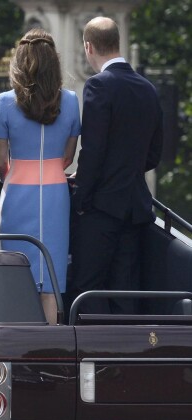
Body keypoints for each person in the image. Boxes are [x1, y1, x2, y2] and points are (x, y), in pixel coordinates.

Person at [69, 16, 163, 315]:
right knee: (126, 291)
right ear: (117, 43)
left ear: (88, 46)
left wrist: (81, 198)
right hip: (135, 207)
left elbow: (93, 151)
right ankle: (126, 359)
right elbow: (154, 154)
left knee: (88, 289)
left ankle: (92, 361)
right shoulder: (147, 88)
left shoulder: (99, 85)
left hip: (100, 208)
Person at [0, 29, 80, 325]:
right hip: (55, 194)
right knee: (50, 277)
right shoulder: (70, 100)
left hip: (16, 192)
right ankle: (50, 353)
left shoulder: (4, 102)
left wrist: (15, 174)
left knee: (16, 275)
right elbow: (68, 157)